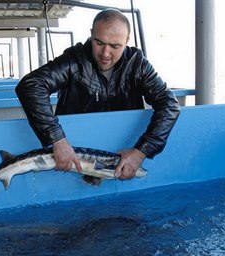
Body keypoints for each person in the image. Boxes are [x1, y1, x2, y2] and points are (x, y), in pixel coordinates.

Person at [16, 8, 180, 180]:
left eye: (115, 46)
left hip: (122, 155)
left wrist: (141, 151)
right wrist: (57, 139)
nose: (105, 53)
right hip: (69, 157)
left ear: (127, 41)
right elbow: (31, 85)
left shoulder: (137, 64)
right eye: (99, 43)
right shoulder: (74, 60)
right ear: (91, 34)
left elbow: (170, 105)